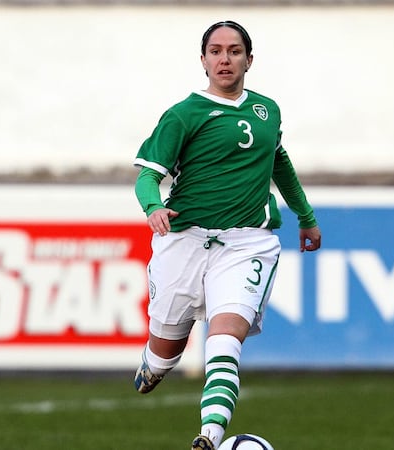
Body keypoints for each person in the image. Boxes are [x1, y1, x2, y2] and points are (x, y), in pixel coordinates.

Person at [132, 20, 322, 450]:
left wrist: (305, 216)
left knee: (224, 337)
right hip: (184, 242)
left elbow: (280, 164)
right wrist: (153, 206)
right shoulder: (184, 114)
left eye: (234, 51)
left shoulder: (267, 110)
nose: (224, 58)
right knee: (167, 350)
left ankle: (210, 435)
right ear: (203, 60)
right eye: (216, 51)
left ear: (248, 60)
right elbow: (147, 176)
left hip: (246, 242)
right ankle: (153, 364)